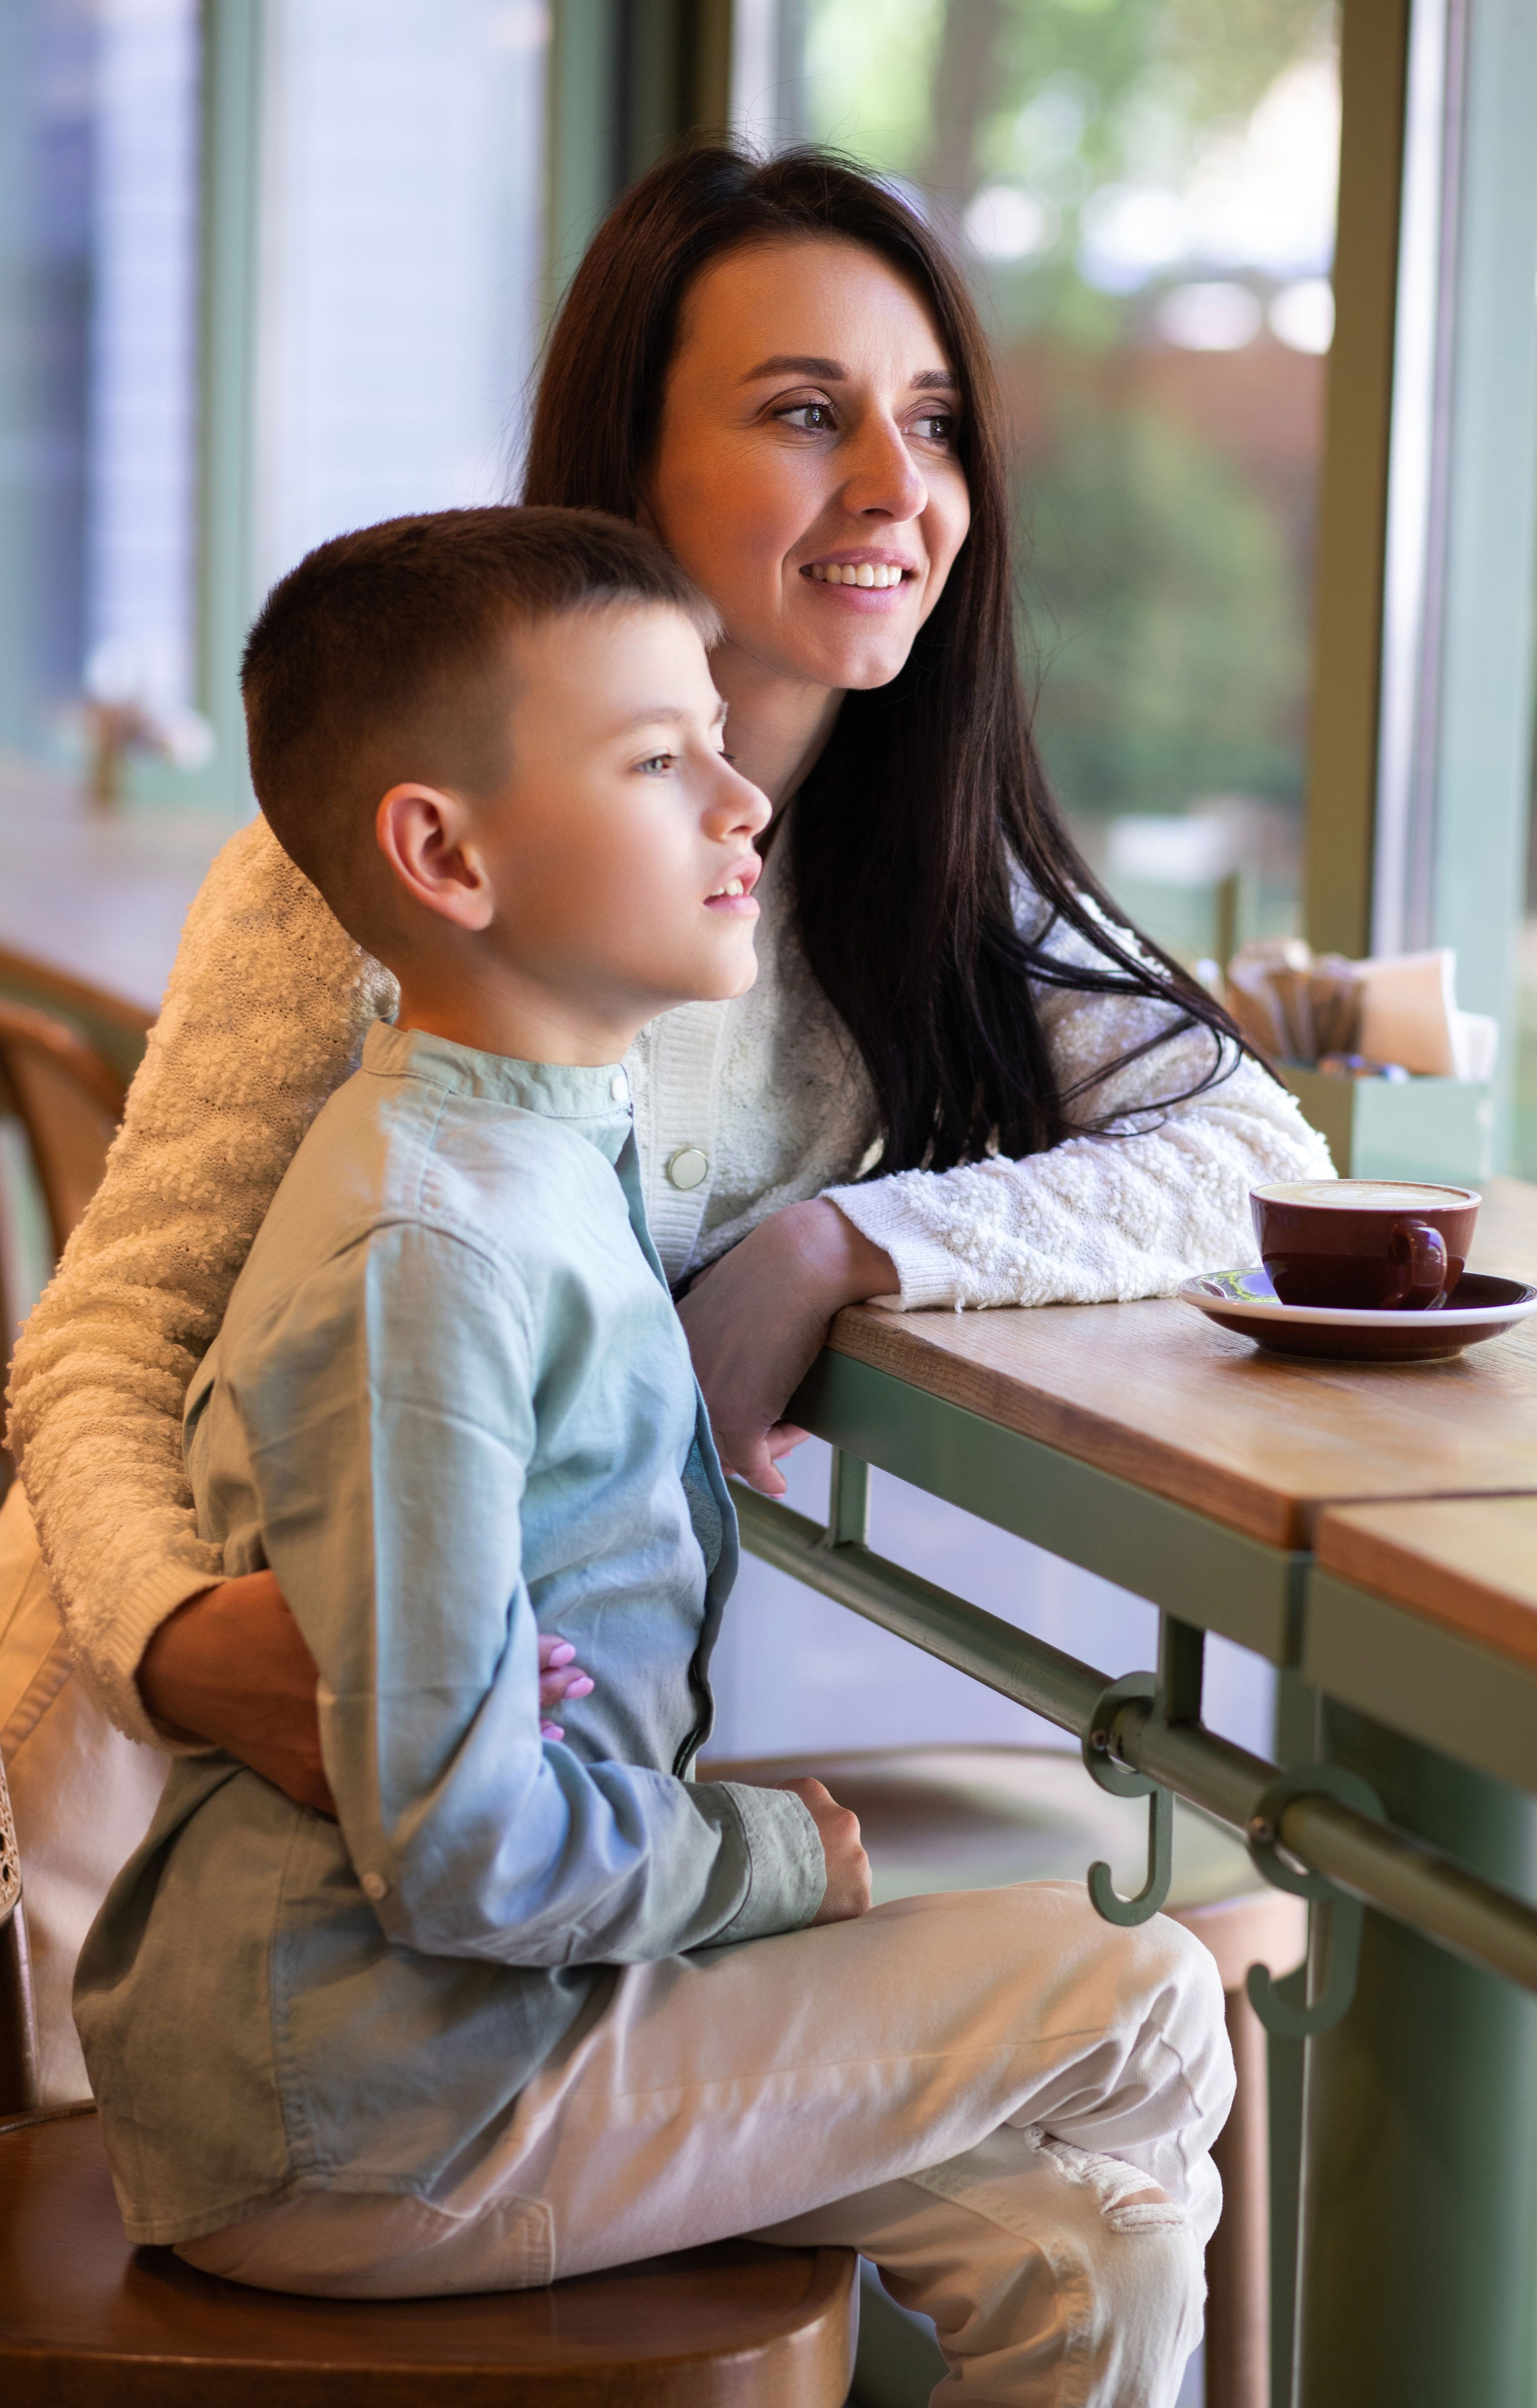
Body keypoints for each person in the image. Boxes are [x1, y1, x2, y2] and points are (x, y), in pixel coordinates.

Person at [3, 145, 1328, 2095]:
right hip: (169, 1820)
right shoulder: (392, 871)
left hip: (520, 1824)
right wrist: (177, 1637)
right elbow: (106, 1338)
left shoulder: (926, 875)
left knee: (1085, 2019)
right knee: (1094, 2026)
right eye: (809, 413)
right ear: (628, 466)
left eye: (936, 420)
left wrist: (834, 1246)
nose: (900, 486)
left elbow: (1254, 1159)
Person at [75, 506, 1232, 2407]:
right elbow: (470, 1857)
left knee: (1090, 2247)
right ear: (443, 854)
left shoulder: (534, 1150)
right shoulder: (432, 1253)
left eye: (719, 736)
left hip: (471, 2025)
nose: (742, 803)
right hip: (380, 2104)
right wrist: (782, 1855)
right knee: (1147, 1990)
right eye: (655, 760)